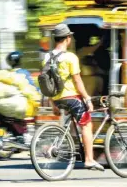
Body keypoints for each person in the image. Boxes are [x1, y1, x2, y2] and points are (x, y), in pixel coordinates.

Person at [43, 24, 104, 171]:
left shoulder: (47, 56)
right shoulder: (70, 57)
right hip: (71, 96)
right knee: (87, 124)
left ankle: (70, 143)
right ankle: (89, 159)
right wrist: (87, 98)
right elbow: (77, 80)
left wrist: (52, 103)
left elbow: (46, 80)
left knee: (73, 122)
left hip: (56, 97)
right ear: (67, 39)